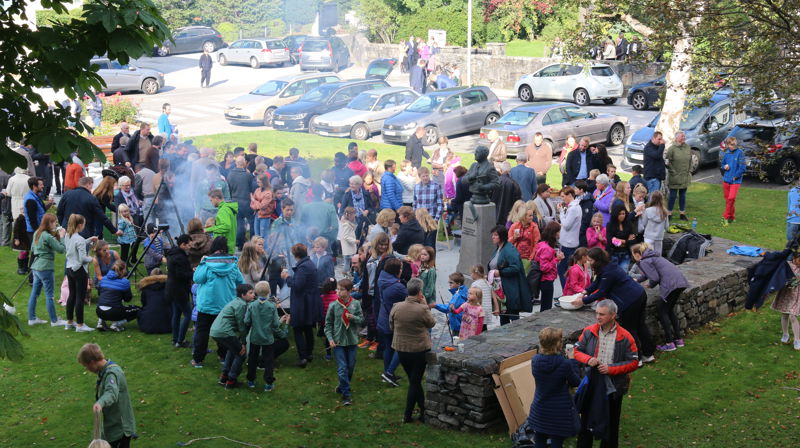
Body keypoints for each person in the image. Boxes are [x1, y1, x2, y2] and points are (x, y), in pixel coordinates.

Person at [573, 300, 639, 448]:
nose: (597, 317)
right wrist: (588, 359)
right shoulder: (589, 331)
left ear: (613, 315)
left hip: (614, 387)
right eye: (596, 313)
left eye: (602, 314)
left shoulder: (625, 336)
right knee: (586, 422)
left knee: (611, 423)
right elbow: (576, 351)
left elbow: (634, 362)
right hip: (592, 384)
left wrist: (611, 369)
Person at [571, 248, 655, 363]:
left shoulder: (608, 272)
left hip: (630, 301)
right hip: (639, 294)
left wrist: (583, 301)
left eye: (590, 260)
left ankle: (637, 359)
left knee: (631, 329)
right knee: (640, 325)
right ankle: (649, 354)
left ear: (597, 260)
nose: (588, 263)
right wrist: (584, 293)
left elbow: (602, 291)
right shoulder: (608, 266)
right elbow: (597, 282)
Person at [191, 236, 244, 368]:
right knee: (224, 331)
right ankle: (223, 355)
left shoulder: (206, 263)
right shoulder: (232, 264)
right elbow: (240, 282)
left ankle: (198, 359)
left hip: (207, 305)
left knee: (202, 332)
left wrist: (201, 264)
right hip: (225, 305)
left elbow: (197, 279)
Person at [390, 277, 436, 423]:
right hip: (419, 349)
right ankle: (408, 415)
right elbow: (432, 323)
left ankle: (423, 411)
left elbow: (391, 326)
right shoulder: (422, 309)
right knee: (415, 382)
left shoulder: (396, 307)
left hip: (401, 349)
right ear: (420, 292)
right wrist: (425, 305)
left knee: (413, 380)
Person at [527, 327, 580, 448]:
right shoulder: (564, 363)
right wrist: (572, 360)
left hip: (540, 407)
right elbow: (576, 382)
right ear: (558, 343)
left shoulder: (535, 360)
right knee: (557, 441)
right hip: (559, 410)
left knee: (539, 439)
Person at [631, 243, 690, 352]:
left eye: (633, 255)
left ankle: (669, 343)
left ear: (637, 254)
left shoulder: (644, 261)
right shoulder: (654, 256)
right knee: (669, 311)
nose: (633, 258)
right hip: (680, 282)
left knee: (662, 310)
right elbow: (651, 273)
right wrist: (638, 280)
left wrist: (650, 284)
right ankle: (679, 340)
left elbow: (654, 277)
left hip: (670, 285)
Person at [77, 343, 136, 448]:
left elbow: (111, 393)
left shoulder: (112, 374)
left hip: (120, 428)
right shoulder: (104, 371)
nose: (87, 369)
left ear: (92, 362)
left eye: (86, 366)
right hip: (112, 425)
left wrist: (100, 403)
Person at [281, 243, 322, 368]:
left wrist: (287, 277)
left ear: (295, 255)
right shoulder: (309, 264)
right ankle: (309, 354)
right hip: (309, 301)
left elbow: (298, 286)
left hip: (302, 303)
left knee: (298, 328)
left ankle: (303, 357)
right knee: (308, 328)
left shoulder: (303, 267)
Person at [244, 281, 290, 391]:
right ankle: (268, 383)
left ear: (256, 292)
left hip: (255, 337)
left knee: (252, 359)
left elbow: (246, 320)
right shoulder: (271, 307)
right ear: (269, 291)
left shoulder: (251, 305)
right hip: (268, 339)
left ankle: (251, 380)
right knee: (269, 361)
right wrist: (281, 322)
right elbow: (275, 324)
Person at [210, 283, 255, 389]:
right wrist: (243, 342)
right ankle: (231, 380)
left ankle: (224, 377)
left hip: (215, 331)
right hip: (224, 332)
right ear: (243, 295)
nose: (253, 295)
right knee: (241, 353)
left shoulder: (236, 301)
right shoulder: (241, 305)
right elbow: (241, 325)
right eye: (250, 293)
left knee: (232, 350)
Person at [27, 213, 68, 326]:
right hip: (45, 267)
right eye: (54, 222)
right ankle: (55, 321)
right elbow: (61, 249)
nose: (56, 224)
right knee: (49, 295)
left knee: (34, 293)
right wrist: (62, 237)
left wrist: (55, 238)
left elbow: (32, 248)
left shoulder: (37, 233)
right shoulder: (47, 236)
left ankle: (32, 318)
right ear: (49, 223)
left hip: (36, 267)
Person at [489, 225, 532, 324]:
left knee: (512, 315)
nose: (493, 237)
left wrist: (500, 272)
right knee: (504, 315)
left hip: (509, 288)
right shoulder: (498, 248)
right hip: (501, 288)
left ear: (502, 236)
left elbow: (515, 267)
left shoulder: (509, 249)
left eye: (495, 235)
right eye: (492, 235)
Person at [56, 176, 121, 239]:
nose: (91, 188)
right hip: (84, 230)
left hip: (68, 229)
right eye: (91, 186)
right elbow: (101, 216)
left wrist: (63, 225)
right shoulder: (91, 198)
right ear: (88, 185)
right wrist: (114, 230)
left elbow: (59, 212)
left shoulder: (67, 194)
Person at [377, 258, 407, 388]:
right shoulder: (397, 287)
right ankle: (389, 372)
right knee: (401, 347)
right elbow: (411, 297)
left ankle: (387, 373)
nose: (402, 270)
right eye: (400, 268)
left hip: (383, 317)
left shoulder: (382, 279)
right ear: (396, 271)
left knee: (389, 346)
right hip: (393, 320)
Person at [65, 214, 98, 332]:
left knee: (72, 295)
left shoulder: (68, 236)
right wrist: (93, 259)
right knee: (79, 297)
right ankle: (80, 324)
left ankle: (69, 321)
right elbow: (83, 258)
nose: (84, 226)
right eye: (84, 224)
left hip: (69, 268)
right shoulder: (78, 239)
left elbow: (77, 244)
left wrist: (89, 240)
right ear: (80, 225)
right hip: (79, 270)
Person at [166, 235, 193, 347]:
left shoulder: (174, 254)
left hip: (172, 288)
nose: (190, 247)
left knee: (176, 314)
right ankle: (180, 340)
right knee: (188, 314)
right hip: (179, 289)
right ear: (183, 245)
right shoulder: (180, 257)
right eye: (189, 245)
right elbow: (181, 275)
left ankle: (175, 339)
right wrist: (193, 273)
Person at [96, 261, 140, 332]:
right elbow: (128, 299)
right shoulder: (125, 282)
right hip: (114, 312)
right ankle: (116, 324)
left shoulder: (103, 279)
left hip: (99, 311)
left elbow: (99, 293)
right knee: (138, 309)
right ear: (123, 270)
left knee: (105, 303)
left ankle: (100, 322)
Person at [227, 156, 257, 250]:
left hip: (235, 201)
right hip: (246, 201)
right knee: (252, 222)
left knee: (239, 223)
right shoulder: (248, 175)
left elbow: (229, 189)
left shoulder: (230, 175)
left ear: (236, 163)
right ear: (244, 163)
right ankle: (252, 242)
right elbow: (252, 188)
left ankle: (239, 244)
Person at [771, 255, 800, 351]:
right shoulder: (788, 265)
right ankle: (785, 334)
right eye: (798, 260)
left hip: (797, 295)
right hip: (786, 293)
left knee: (793, 315)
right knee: (784, 314)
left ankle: (797, 340)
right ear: (794, 259)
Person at [535, 222, 562, 311]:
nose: (559, 234)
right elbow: (544, 267)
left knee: (545, 304)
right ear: (554, 233)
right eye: (558, 231)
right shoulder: (547, 249)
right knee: (546, 306)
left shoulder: (543, 244)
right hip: (546, 280)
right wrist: (556, 259)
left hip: (546, 280)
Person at [558, 186, 582, 285]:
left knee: (562, 269)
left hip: (568, 243)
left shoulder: (573, 209)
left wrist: (561, 213)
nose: (562, 199)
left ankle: (566, 292)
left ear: (570, 195)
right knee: (568, 269)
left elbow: (567, 225)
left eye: (563, 196)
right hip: (570, 242)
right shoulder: (575, 206)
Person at [720, 136, 746, 225]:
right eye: (729, 145)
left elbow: (743, 168)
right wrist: (724, 167)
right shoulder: (726, 153)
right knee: (728, 200)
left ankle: (725, 217)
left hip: (735, 181)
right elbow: (722, 164)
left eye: (732, 144)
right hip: (726, 180)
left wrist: (736, 176)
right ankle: (732, 216)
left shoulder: (740, 153)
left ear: (735, 144)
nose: (731, 146)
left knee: (731, 198)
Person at [665, 132, 691, 220]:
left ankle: (682, 214)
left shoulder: (687, 147)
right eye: (682, 136)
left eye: (684, 136)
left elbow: (690, 160)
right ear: (676, 138)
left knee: (683, 195)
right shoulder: (672, 149)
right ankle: (669, 213)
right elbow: (667, 162)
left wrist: (689, 171)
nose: (684, 137)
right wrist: (673, 172)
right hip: (675, 177)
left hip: (685, 176)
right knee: (672, 195)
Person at [509, 204, 541, 274]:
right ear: (523, 216)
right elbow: (508, 243)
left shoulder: (534, 227)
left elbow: (536, 244)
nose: (532, 217)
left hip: (528, 258)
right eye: (529, 215)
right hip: (515, 258)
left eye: (532, 215)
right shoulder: (514, 226)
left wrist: (531, 259)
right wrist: (514, 238)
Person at [205, 189, 238, 255]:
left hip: (225, 247)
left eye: (211, 200)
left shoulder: (223, 210)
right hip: (228, 245)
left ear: (216, 198)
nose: (211, 202)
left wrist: (207, 230)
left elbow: (226, 226)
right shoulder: (226, 208)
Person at [606, 204, 637, 272]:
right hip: (614, 255)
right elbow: (610, 241)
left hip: (626, 254)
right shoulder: (610, 225)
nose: (622, 215)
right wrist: (626, 241)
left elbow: (633, 241)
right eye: (620, 214)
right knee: (615, 274)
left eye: (623, 213)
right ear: (615, 214)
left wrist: (621, 241)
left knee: (624, 273)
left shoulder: (628, 224)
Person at [492, 162, 522, 226]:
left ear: (501, 170)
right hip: (508, 216)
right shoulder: (514, 184)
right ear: (510, 171)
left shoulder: (495, 182)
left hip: (494, 214)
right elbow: (518, 202)